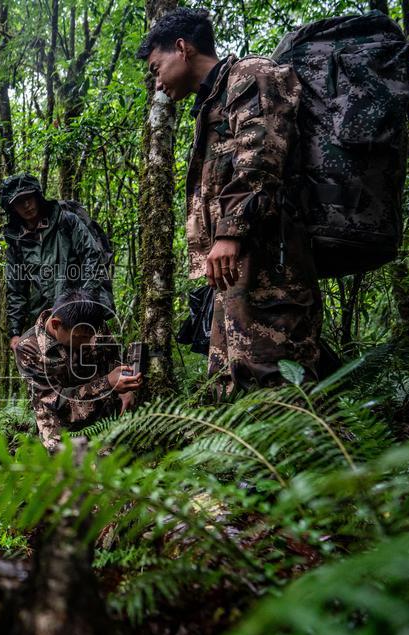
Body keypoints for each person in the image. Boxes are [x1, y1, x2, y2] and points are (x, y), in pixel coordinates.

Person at [136, 8, 321, 396]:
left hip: (271, 264)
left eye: (156, 69)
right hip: (237, 272)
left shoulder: (251, 75)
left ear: (182, 48)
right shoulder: (212, 103)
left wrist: (229, 234)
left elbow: (262, 159)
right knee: (231, 385)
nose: (157, 83)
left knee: (277, 383)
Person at [0, 173, 112, 355]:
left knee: (93, 365)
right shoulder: (16, 242)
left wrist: (84, 305)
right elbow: (16, 288)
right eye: (19, 202)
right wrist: (15, 331)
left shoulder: (66, 221)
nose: (27, 205)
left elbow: (93, 257)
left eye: (29, 198)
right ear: (12, 208)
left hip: (81, 315)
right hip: (46, 322)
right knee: (50, 374)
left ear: (37, 196)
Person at [15, 289, 141, 451]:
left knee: (114, 463)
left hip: (102, 411)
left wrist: (125, 387)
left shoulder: (92, 326)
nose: (89, 342)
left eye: (91, 336)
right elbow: (55, 404)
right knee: (74, 468)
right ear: (56, 324)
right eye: (80, 337)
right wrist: (108, 383)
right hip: (60, 419)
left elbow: (113, 359)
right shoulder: (29, 349)